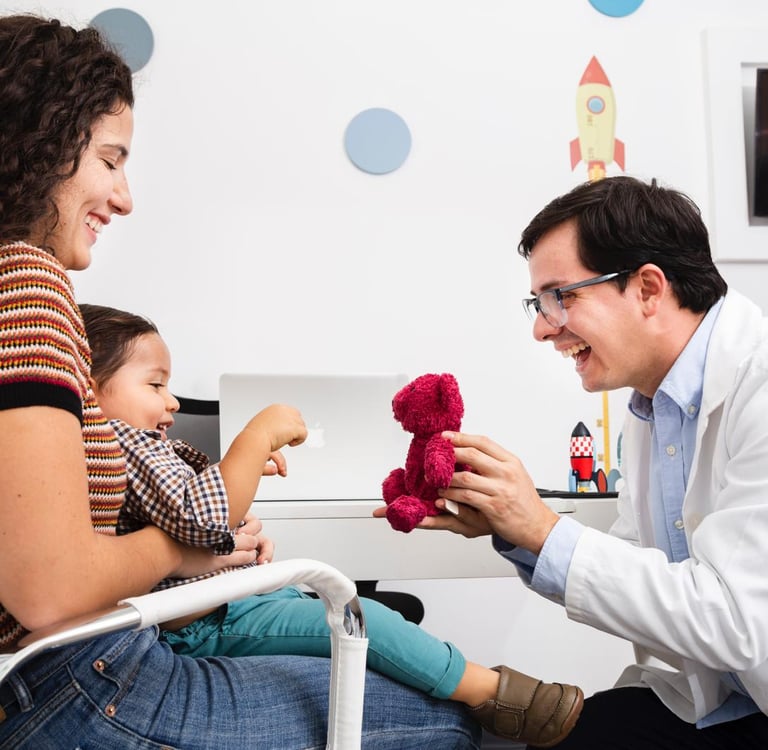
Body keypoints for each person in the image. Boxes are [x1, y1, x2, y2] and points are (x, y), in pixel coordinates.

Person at [0, 14, 486, 749]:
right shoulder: (26, 283)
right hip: (75, 689)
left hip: (62, 676)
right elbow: (50, 590)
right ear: (41, 145)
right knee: (443, 723)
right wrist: (188, 552)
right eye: (109, 159)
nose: (125, 197)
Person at [78, 301, 585, 748]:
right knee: (364, 623)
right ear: (92, 387)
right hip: (206, 621)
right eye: (156, 384)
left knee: (363, 617)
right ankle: (495, 694)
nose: (172, 401)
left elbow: (191, 515)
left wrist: (239, 481)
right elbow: (204, 516)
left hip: (226, 602)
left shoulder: (132, 448)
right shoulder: (124, 441)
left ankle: (477, 692)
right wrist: (252, 440)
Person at [390, 175, 768, 749]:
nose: (543, 327)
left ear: (646, 288)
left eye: (559, 296)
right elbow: (649, 575)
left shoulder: (758, 386)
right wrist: (517, 528)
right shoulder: (655, 408)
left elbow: (738, 623)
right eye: (538, 303)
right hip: (723, 696)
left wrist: (543, 529)